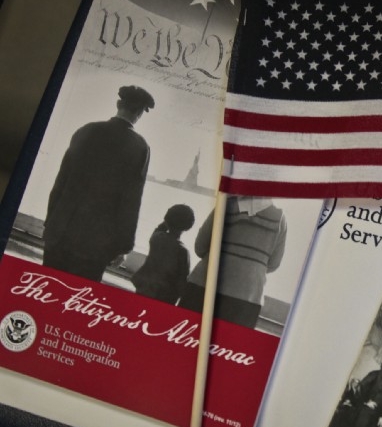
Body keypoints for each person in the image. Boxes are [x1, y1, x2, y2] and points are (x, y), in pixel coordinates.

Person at [43, 85, 154, 282]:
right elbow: (131, 201)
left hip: (60, 232)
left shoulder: (85, 130)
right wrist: (123, 246)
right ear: (139, 113)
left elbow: (61, 182)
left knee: (43, 292)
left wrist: (51, 222)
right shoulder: (140, 148)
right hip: (95, 245)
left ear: (118, 104)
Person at [179, 196, 287, 329]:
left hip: (203, 285)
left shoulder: (225, 206)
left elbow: (200, 246)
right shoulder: (280, 219)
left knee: (182, 338)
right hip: (247, 298)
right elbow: (273, 264)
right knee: (227, 346)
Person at [131, 204, 195, 304]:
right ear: (188, 226)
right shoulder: (182, 251)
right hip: (165, 295)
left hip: (145, 287)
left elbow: (160, 228)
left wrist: (168, 219)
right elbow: (182, 280)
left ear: (166, 219)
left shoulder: (156, 238)